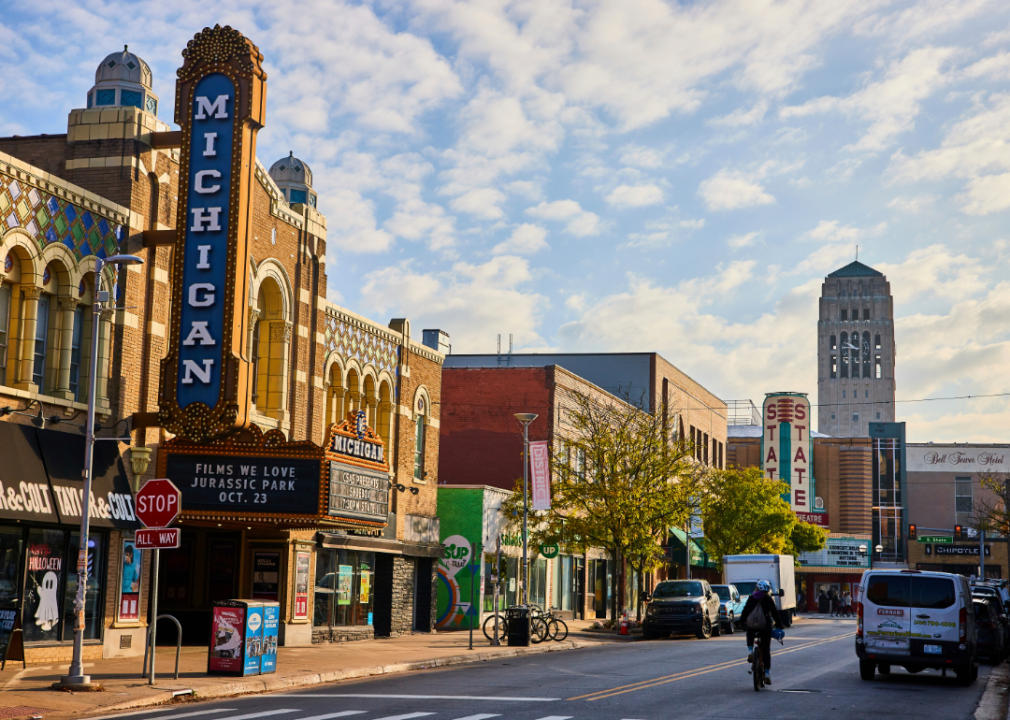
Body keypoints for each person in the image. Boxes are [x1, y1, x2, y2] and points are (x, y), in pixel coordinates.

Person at [741, 580, 784, 686]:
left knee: (750, 632)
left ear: (757, 588)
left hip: (752, 626)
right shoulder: (768, 599)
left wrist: (742, 623)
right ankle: (767, 673)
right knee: (765, 650)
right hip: (765, 627)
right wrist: (779, 625)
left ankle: (750, 650)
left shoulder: (751, 598)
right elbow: (774, 613)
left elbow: (745, 611)